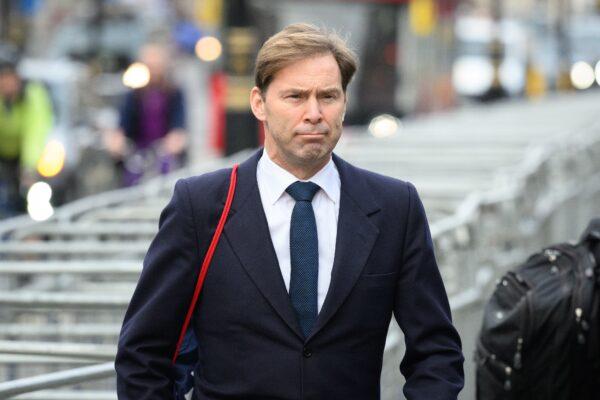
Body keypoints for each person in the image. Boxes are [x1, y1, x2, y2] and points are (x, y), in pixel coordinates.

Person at [116, 23, 464, 399]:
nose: (314, 113)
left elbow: (437, 353)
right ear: (259, 103)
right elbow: (144, 354)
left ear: (344, 103)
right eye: (295, 96)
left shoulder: (395, 206)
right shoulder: (200, 206)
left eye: (328, 96)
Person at [104, 43, 187, 186]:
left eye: (156, 66)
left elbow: (179, 124)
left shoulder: (173, 92)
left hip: (162, 150)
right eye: (149, 66)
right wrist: (118, 141)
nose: (153, 71)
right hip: (138, 150)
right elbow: (123, 123)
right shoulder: (133, 93)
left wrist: (173, 140)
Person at [0, 58, 53, 217]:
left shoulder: (33, 94)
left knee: (32, 197)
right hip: (3, 153)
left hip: (25, 156)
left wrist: (29, 166)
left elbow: (36, 131)